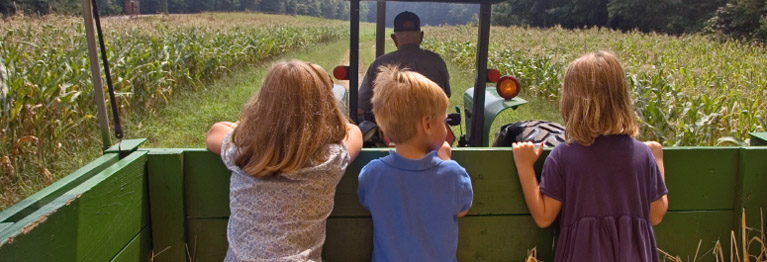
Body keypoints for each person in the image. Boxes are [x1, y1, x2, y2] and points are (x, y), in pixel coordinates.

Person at [511, 51, 668, 262]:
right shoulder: (641, 155)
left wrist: (524, 165)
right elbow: (656, 214)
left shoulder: (563, 157)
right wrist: (657, 159)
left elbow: (544, 216)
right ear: (621, 100)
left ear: (571, 103)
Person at [205, 60, 363, 261]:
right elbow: (353, 132)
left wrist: (257, 125)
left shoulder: (244, 152)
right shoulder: (329, 160)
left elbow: (215, 131)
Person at [357, 65, 473, 261]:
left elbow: (366, 200)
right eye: (443, 120)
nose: (445, 127)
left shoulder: (372, 174)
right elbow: (462, 210)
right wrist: (445, 159)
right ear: (427, 124)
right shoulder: (452, 174)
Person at [357, 11, 451, 118]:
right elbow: (446, 95)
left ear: (394, 38)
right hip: (431, 126)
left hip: (392, 128)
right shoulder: (437, 61)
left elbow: (360, 108)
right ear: (421, 36)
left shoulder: (379, 64)